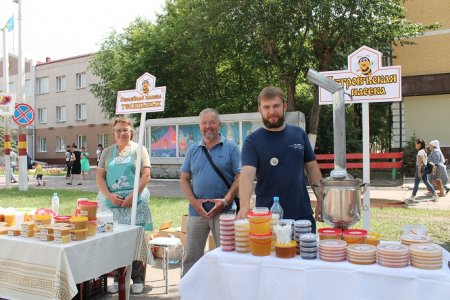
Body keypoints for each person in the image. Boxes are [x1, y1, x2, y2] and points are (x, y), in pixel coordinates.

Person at [237, 87, 323, 233]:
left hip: (301, 214)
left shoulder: (299, 134)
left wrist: (322, 199)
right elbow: (246, 175)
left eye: (276, 106)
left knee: (306, 255)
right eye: (266, 107)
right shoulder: (252, 141)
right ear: (260, 109)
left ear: (284, 106)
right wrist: (244, 205)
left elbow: (312, 169)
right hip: (267, 218)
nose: (272, 112)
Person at [180, 108, 240, 275]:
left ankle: (227, 292)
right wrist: (194, 202)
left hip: (225, 212)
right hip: (197, 211)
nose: (208, 126)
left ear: (219, 125)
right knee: (191, 256)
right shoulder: (193, 150)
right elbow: (184, 178)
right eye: (204, 123)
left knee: (227, 255)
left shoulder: (231, 148)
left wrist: (225, 201)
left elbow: (240, 177)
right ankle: (189, 292)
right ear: (200, 126)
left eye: (212, 122)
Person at [96, 116, 152, 294]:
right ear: (113, 133)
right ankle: (116, 277)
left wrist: (132, 196)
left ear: (131, 132)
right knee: (113, 240)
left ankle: (137, 278)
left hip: (135, 202)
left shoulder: (139, 150)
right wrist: (109, 196)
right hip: (111, 202)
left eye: (125, 130)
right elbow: (99, 177)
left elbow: (146, 175)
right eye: (118, 130)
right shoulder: (106, 152)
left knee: (135, 239)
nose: (121, 133)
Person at [405, 139, 439, 203]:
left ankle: (412, 196)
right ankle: (435, 194)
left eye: (416, 144)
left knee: (416, 182)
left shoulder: (420, 152)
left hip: (420, 168)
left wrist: (419, 171)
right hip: (424, 168)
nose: (415, 145)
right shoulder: (424, 151)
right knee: (426, 181)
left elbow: (420, 162)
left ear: (419, 144)